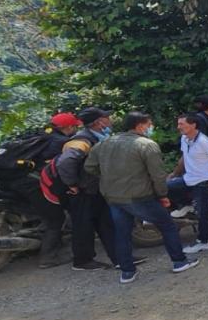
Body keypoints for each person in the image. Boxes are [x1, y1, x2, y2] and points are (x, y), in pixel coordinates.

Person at [85, 112, 200, 284]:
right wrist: (162, 195)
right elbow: (157, 175)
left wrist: (109, 177)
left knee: (122, 233)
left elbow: (90, 167)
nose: (150, 128)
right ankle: (179, 261)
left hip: (113, 197)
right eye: (148, 124)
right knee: (167, 225)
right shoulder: (146, 145)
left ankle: (127, 272)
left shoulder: (104, 143)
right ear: (139, 125)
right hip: (139, 196)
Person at [0, 112, 79, 268]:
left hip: (6, 182)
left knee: (41, 211)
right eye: (75, 126)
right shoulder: (60, 142)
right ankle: (48, 258)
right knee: (56, 218)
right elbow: (61, 166)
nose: (76, 129)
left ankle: (42, 239)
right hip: (30, 184)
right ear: (68, 127)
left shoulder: (38, 135)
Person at [55, 107, 124, 271]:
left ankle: (120, 257)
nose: (110, 120)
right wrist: (72, 184)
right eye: (107, 118)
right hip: (83, 191)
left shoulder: (97, 138)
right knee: (83, 226)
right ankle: (82, 261)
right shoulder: (82, 140)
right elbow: (65, 162)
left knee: (106, 223)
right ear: (99, 122)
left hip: (95, 189)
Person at [168, 114, 208, 254]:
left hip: (203, 180)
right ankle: (186, 205)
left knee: (202, 213)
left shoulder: (204, 141)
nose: (179, 127)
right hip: (189, 178)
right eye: (178, 124)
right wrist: (174, 174)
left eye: (182, 124)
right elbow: (184, 157)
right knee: (165, 187)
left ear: (193, 125)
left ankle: (203, 241)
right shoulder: (185, 138)